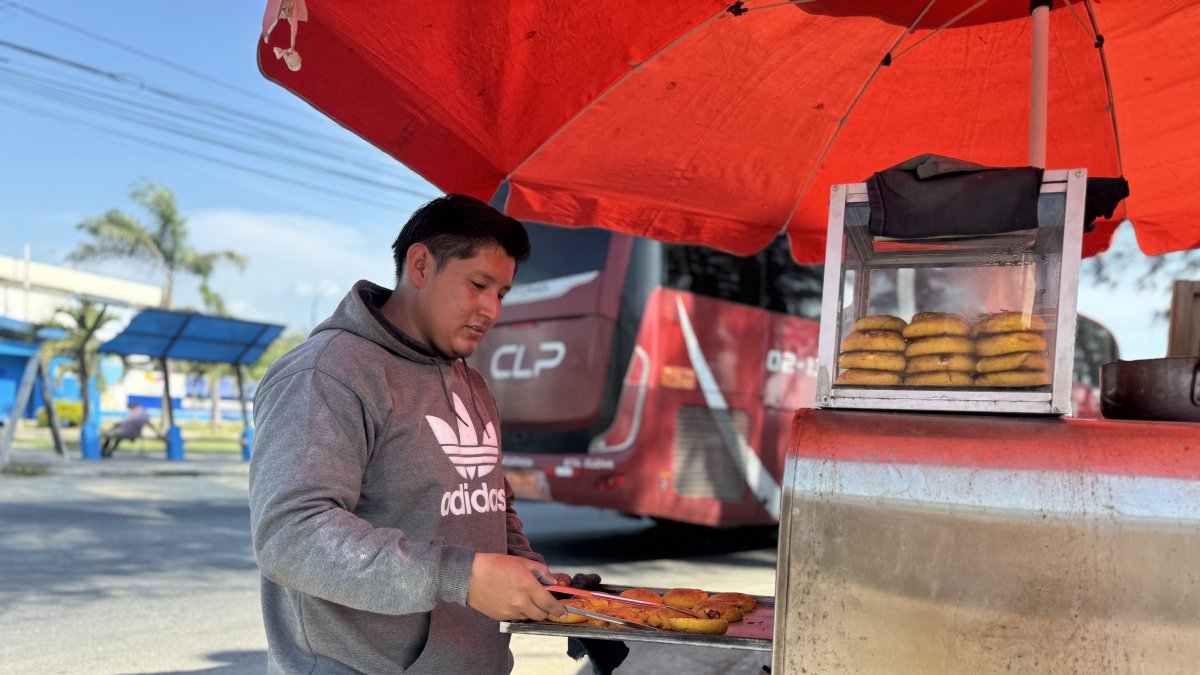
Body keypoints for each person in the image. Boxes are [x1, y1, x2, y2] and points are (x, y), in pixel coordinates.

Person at [248, 194, 568, 674]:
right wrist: (462, 575)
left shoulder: (472, 384)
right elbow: (291, 536)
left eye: (501, 293)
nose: (491, 310)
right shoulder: (327, 373)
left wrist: (528, 570)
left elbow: (490, 504)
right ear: (420, 265)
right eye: (478, 284)